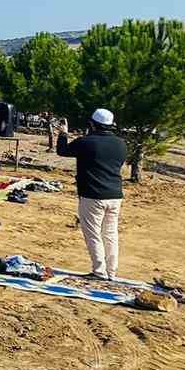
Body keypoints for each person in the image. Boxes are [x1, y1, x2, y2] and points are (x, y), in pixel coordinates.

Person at [55, 109, 128, 280]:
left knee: (93, 233)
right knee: (110, 233)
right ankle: (112, 271)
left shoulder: (86, 142)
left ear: (92, 124)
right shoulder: (121, 144)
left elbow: (62, 151)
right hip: (115, 194)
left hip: (92, 194)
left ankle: (99, 271)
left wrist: (63, 133)